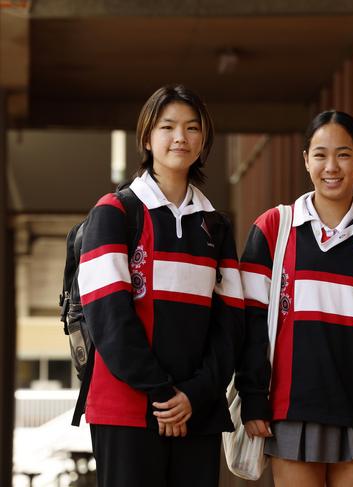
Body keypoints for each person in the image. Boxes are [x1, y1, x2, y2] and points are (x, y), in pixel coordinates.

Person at [77, 85, 244, 487]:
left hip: (197, 412)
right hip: (127, 411)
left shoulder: (215, 226)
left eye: (191, 128)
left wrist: (194, 395)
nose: (179, 138)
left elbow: (230, 326)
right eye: (167, 127)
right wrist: (163, 395)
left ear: (204, 140)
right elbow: (110, 319)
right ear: (147, 138)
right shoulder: (115, 212)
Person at [237, 110, 353, 487]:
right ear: (306, 160)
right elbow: (249, 322)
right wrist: (253, 396)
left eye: (344, 154)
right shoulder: (273, 229)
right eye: (320, 154)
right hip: (288, 411)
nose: (331, 166)